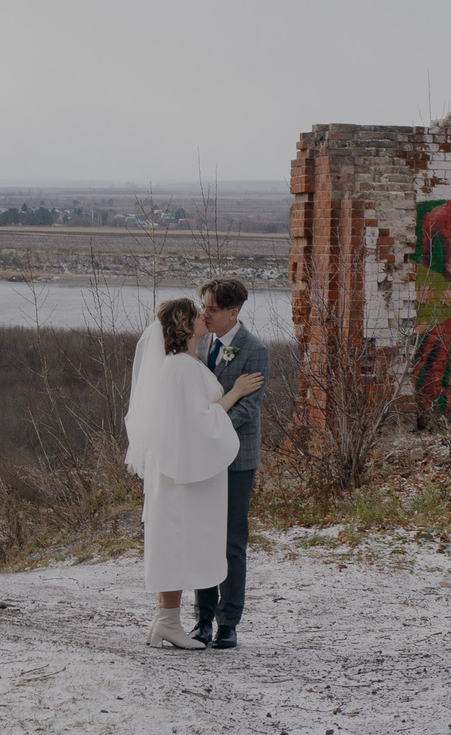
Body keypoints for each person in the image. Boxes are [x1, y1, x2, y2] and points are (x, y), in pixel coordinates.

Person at [124, 296, 262, 650]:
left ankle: (165, 622)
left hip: (176, 472)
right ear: (184, 326)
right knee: (175, 542)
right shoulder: (182, 368)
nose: (204, 316)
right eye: (196, 313)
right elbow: (200, 419)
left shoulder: (184, 362)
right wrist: (235, 392)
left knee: (176, 541)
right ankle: (168, 621)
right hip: (178, 477)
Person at [189, 277, 269, 649]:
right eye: (203, 306)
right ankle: (202, 619)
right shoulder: (201, 342)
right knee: (203, 536)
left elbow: (248, 410)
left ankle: (229, 622)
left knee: (232, 541)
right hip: (203, 458)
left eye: (211, 309)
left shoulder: (255, 350)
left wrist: (209, 427)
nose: (203, 313)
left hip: (237, 457)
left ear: (233, 312)